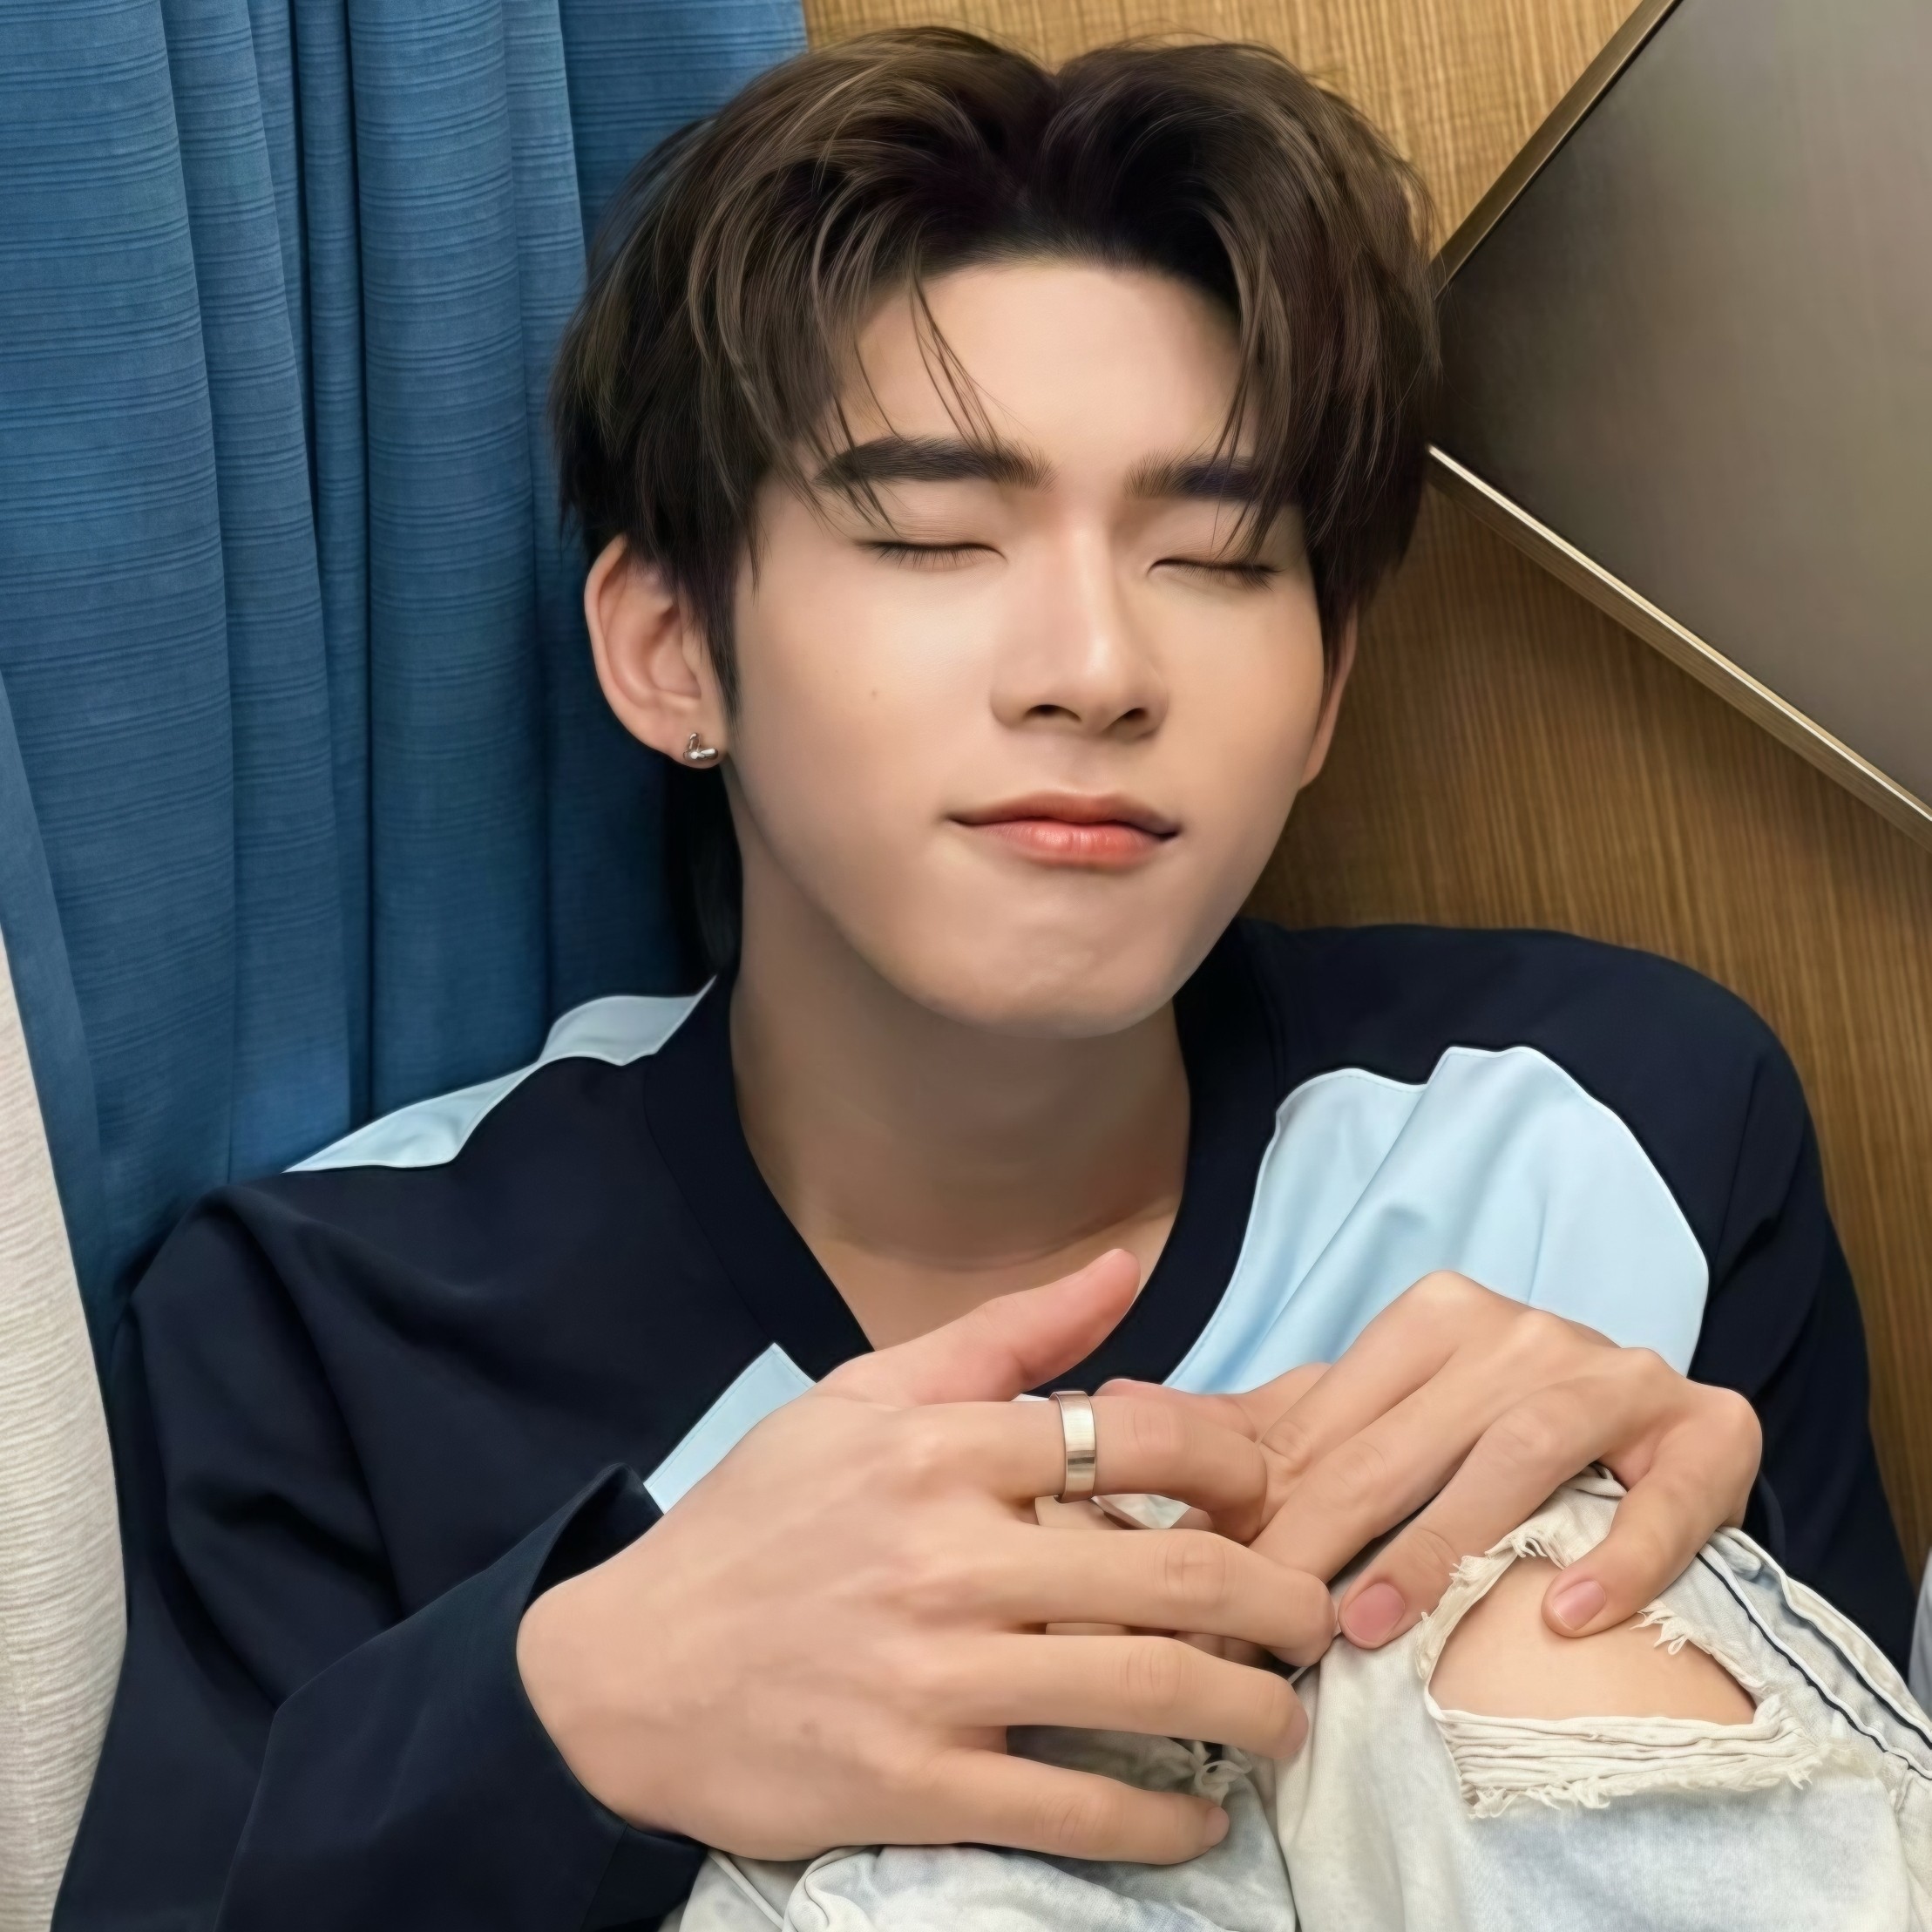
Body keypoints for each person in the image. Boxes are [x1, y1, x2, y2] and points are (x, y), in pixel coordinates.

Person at [55, 27, 1911, 1931]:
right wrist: (572, 1714)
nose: (1093, 668)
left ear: (1323, 689)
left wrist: (1699, 1586)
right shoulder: (336, 1318)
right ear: (671, 646)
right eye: (930, 536)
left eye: (1218, 555)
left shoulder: (1615, 1130)